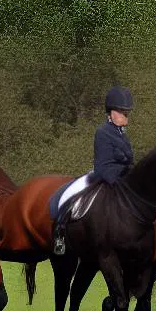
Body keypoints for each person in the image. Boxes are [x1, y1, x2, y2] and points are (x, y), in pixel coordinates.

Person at [52, 86, 135, 256]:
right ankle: (60, 231)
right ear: (110, 113)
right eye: (121, 111)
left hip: (121, 177)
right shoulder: (102, 132)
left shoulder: (122, 135)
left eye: (126, 112)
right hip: (102, 174)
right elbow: (102, 165)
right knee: (69, 193)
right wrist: (116, 180)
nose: (125, 115)